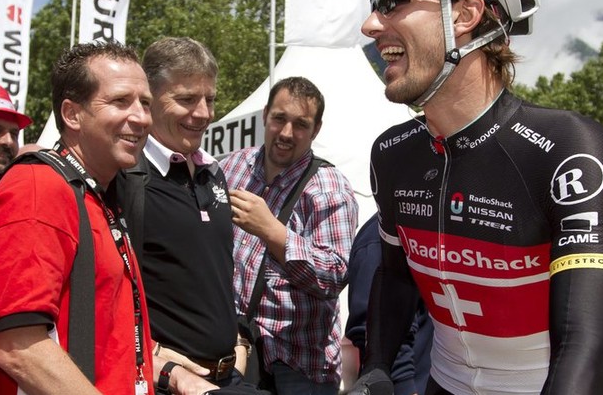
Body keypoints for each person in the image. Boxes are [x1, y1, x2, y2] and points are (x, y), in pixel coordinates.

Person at [352, 0, 603, 395]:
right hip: (443, 381)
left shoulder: (568, 148)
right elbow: (396, 279)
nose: (371, 24)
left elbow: (587, 344)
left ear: (466, 13)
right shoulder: (392, 153)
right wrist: (376, 368)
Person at [0, 41, 155, 395]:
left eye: (145, 103)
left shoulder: (96, 194)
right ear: (72, 114)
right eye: (121, 101)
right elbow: (19, 348)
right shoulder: (38, 188)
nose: (142, 117)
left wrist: (171, 372)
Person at [117, 37, 252, 395]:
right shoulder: (127, 176)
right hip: (166, 383)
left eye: (210, 99)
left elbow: (215, 271)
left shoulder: (213, 172)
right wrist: (155, 357)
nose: (204, 113)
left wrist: (239, 341)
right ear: (149, 99)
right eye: (187, 99)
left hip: (228, 377)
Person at [221, 76, 358, 395]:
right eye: (279, 119)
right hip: (235, 350)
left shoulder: (329, 190)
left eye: (300, 124)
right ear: (265, 114)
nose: (286, 133)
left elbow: (333, 277)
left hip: (298, 366)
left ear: (316, 129)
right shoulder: (233, 167)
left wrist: (272, 231)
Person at [344, 213, 433, 395]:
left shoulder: (420, 225)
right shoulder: (381, 238)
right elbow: (377, 336)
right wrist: (407, 389)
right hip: (404, 386)